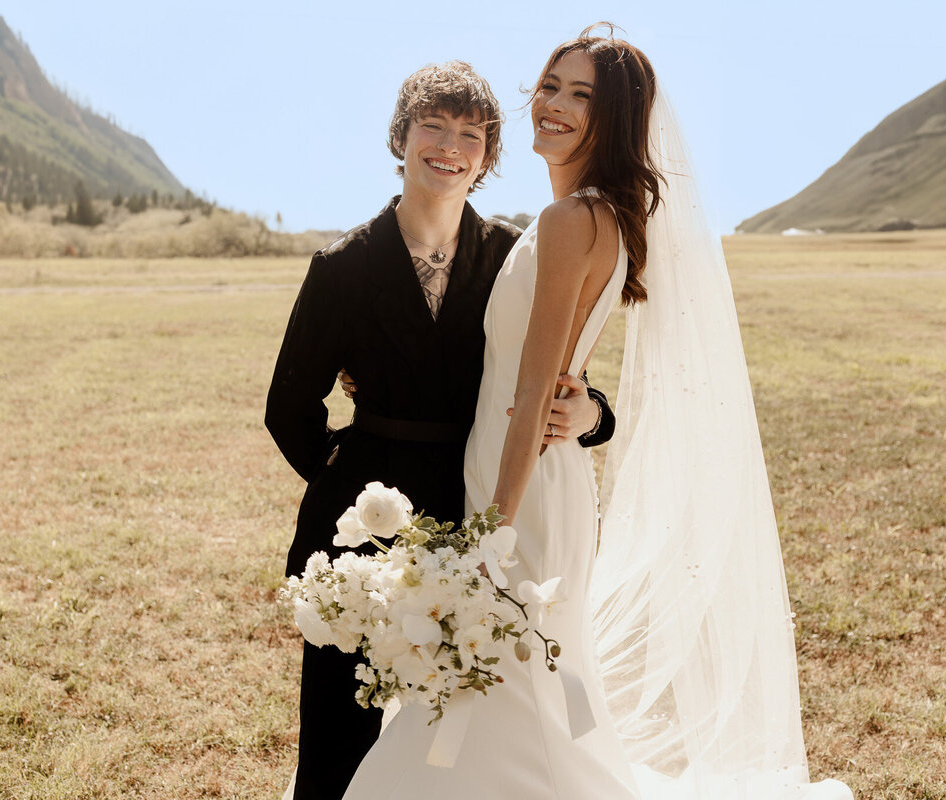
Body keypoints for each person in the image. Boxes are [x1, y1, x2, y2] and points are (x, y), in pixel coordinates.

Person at [342, 26, 856, 799]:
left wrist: (491, 534)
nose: (553, 105)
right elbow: (551, 385)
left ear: (614, 118)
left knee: (501, 671)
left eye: (581, 95)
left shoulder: (570, 220)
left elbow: (531, 393)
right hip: (537, 476)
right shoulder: (598, 216)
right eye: (550, 85)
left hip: (520, 485)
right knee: (523, 678)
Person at [264, 60, 616, 800]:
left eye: (471, 133)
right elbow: (287, 409)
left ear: (488, 156)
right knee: (339, 724)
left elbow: (558, 379)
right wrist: (349, 479)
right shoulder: (342, 267)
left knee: (456, 730)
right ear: (402, 135)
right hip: (361, 526)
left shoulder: (510, 256)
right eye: (434, 126)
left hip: (471, 515)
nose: (450, 145)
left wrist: (592, 415)